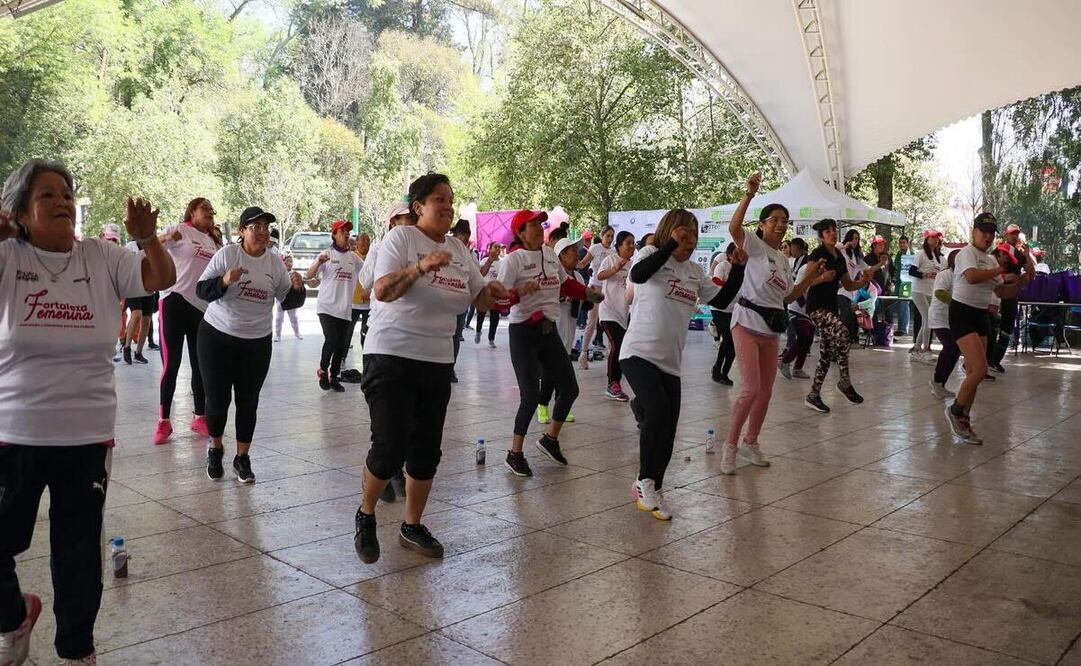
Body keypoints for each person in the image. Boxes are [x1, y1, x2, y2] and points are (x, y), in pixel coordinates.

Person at [0, 159, 176, 665]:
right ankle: (13, 617)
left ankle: (77, 651)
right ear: (21, 213)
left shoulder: (102, 256)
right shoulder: (9, 256)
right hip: (13, 430)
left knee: (78, 555)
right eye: (46, 196)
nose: (62, 203)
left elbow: (159, 277)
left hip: (85, 434)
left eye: (66, 194)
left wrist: (147, 239)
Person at [353, 173, 507, 563]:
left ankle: (411, 525)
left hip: (437, 361)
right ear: (418, 206)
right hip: (390, 355)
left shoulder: (458, 248)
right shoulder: (400, 239)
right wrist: (421, 267)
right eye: (439, 199)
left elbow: (481, 298)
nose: (448, 206)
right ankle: (366, 513)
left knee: (425, 452)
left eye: (451, 199)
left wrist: (497, 293)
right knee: (388, 446)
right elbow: (382, 290)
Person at [622, 209, 747, 519]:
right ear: (669, 232)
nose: (690, 240)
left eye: (694, 234)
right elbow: (637, 277)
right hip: (638, 351)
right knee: (659, 413)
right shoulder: (651, 253)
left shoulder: (694, 271)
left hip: (670, 362)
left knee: (668, 428)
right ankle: (644, 482)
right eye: (683, 233)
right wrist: (667, 247)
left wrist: (740, 270)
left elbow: (721, 300)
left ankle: (654, 487)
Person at [722, 173, 827, 475]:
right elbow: (733, 228)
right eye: (775, 219)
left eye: (785, 220)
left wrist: (811, 276)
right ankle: (730, 446)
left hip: (770, 330)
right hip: (745, 323)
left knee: (766, 392)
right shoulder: (754, 245)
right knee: (750, 388)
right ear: (763, 224)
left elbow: (788, 296)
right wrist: (749, 195)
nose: (781, 224)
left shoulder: (782, 259)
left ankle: (750, 441)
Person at [195, 206, 306, 483]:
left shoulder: (274, 263)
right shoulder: (227, 255)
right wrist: (224, 281)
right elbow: (201, 290)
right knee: (218, 399)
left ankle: (242, 458)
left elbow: (287, 301)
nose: (261, 232)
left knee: (248, 401)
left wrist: (298, 289)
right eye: (254, 227)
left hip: (256, 343)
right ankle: (215, 448)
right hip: (216, 337)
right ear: (242, 231)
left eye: (265, 228)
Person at [500, 210, 599, 477]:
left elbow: (566, 285)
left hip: (549, 331)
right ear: (520, 232)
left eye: (539, 224)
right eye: (533, 225)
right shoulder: (513, 260)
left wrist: (588, 292)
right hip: (523, 333)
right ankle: (515, 453)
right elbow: (498, 301)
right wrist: (518, 293)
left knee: (570, 388)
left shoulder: (549, 254)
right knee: (530, 396)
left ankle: (550, 439)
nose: (539, 228)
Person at [944, 213, 1026, 445]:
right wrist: (1000, 272)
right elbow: (971, 277)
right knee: (980, 369)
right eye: (983, 232)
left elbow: (1002, 293)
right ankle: (956, 410)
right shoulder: (966, 254)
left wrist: (1021, 282)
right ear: (974, 231)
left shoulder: (991, 261)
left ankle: (963, 420)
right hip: (961, 313)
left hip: (980, 316)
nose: (987, 237)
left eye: (991, 233)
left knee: (974, 373)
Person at [153, 197, 224, 445]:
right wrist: (165, 239)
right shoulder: (180, 230)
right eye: (205, 209)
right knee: (171, 364)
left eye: (212, 212)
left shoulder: (213, 242)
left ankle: (199, 417)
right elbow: (151, 246)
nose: (209, 214)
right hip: (174, 301)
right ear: (192, 211)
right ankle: (163, 421)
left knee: (200, 365)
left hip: (202, 308)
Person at [802, 219, 875, 414]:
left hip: (831, 308)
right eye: (827, 231)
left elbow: (848, 285)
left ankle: (813, 395)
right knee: (843, 333)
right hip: (816, 308)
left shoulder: (840, 257)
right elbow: (805, 283)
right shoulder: (817, 255)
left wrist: (862, 281)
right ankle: (845, 381)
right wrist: (822, 278)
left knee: (826, 354)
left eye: (834, 230)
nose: (832, 234)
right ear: (821, 236)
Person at [306, 219, 362, 392]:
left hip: (345, 309)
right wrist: (319, 263)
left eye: (348, 231)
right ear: (334, 234)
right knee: (331, 340)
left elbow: (369, 273)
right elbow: (309, 275)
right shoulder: (326, 254)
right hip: (326, 307)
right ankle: (323, 371)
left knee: (341, 345)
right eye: (342, 231)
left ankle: (335, 376)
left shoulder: (354, 258)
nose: (346, 234)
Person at [537, 236, 586, 425]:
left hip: (569, 328)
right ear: (562, 255)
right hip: (553, 328)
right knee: (550, 371)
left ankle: (560, 406)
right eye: (573, 250)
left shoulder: (578, 277)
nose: (577, 254)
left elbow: (584, 303)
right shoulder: (553, 276)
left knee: (563, 372)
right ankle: (542, 405)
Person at [988, 223, 1034, 373]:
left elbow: (1030, 274)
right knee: (993, 326)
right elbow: (988, 270)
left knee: (1007, 328)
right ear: (1006, 234)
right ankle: (987, 359)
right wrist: (1004, 276)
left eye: (1017, 233)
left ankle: (995, 360)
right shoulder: (999, 251)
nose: (1014, 236)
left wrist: (1027, 255)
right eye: (1012, 233)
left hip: (1011, 295)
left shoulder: (1019, 254)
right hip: (997, 294)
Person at [596, 230, 634, 400]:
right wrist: (615, 268)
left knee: (623, 348)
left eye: (633, 243)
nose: (632, 246)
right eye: (628, 243)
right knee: (617, 345)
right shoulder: (610, 259)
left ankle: (617, 382)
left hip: (624, 313)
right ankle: (613, 384)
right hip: (608, 311)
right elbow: (600, 275)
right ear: (619, 246)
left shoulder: (634, 264)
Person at [576, 225, 614, 369]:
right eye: (607, 236)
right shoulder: (595, 248)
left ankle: (612, 353)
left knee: (609, 320)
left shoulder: (614, 251)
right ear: (602, 235)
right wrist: (572, 261)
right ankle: (583, 354)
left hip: (608, 288)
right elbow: (583, 263)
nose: (610, 239)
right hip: (595, 288)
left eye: (612, 236)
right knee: (591, 322)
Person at [779, 237, 815, 380]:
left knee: (808, 340)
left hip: (808, 309)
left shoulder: (818, 269)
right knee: (803, 338)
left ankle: (798, 368)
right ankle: (785, 361)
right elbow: (798, 288)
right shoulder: (805, 268)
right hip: (797, 307)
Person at [928, 250, 961, 398]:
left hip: (952, 319)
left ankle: (941, 383)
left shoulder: (962, 276)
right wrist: (958, 303)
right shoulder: (945, 275)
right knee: (951, 346)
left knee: (954, 349)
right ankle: (937, 381)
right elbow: (940, 293)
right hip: (939, 318)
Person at [909, 229, 945, 363]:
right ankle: (925, 350)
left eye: (937, 238)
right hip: (919, 290)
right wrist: (925, 274)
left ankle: (917, 350)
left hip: (931, 291)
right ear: (926, 239)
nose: (936, 240)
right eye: (933, 237)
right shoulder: (921, 254)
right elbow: (912, 271)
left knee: (927, 320)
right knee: (928, 318)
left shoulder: (937, 256)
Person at [119, 238, 155, 365]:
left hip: (149, 288)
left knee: (147, 320)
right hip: (133, 285)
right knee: (137, 314)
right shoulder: (130, 246)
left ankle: (138, 353)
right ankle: (127, 346)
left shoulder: (153, 246)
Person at [709, 243, 738, 385]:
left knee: (733, 344)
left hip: (734, 309)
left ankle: (724, 372)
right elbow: (716, 281)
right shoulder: (723, 266)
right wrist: (731, 284)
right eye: (735, 254)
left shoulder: (742, 269)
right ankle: (716, 369)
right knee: (728, 339)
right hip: (719, 309)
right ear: (730, 254)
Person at [449, 219, 472, 383]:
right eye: (462, 234)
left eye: (467, 235)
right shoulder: (445, 246)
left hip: (460, 304)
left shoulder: (468, 254)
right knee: (446, 335)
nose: (464, 238)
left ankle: (450, 368)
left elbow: (477, 275)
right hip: (444, 303)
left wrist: (491, 260)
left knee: (456, 336)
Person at [473, 241, 503, 348]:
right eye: (495, 247)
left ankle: (491, 338)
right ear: (489, 249)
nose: (498, 249)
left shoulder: (502, 263)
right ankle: (478, 331)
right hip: (484, 292)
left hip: (496, 294)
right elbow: (480, 274)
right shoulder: (484, 261)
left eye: (499, 247)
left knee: (495, 317)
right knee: (481, 314)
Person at [274, 252, 303, 341]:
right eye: (286, 261)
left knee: (293, 317)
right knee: (279, 318)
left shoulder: (294, 274)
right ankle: (278, 335)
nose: (288, 263)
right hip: (281, 299)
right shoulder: (279, 273)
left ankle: (297, 333)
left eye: (290, 261)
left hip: (291, 299)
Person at [892, 235, 914, 336]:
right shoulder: (898, 254)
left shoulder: (912, 254)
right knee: (900, 305)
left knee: (904, 305)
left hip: (907, 284)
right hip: (898, 283)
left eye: (903, 243)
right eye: (900, 243)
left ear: (908, 243)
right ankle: (901, 327)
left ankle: (903, 329)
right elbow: (896, 268)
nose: (902, 245)